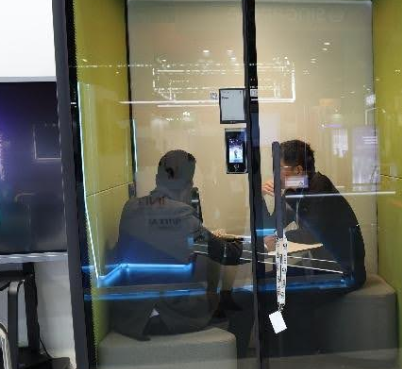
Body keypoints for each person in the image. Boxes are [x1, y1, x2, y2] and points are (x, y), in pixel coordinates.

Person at [112, 149, 244, 340]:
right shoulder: (181, 214)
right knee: (240, 301)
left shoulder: (130, 207)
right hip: (165, 314)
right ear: (187, 184)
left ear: (157, 178)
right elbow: (228, 254)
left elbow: (162, 241)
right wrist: (262, 245)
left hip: (130, 316)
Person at [259, 139, 366, 290]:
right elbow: (270, 227)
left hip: (344, 273)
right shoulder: (292, 192)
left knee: (268, 287)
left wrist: (279, 240)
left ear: (298, 170)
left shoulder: (321, 187)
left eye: (279, 168)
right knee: (264, 281)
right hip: (321, 266)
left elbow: (312, 235)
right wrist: (260, 196)